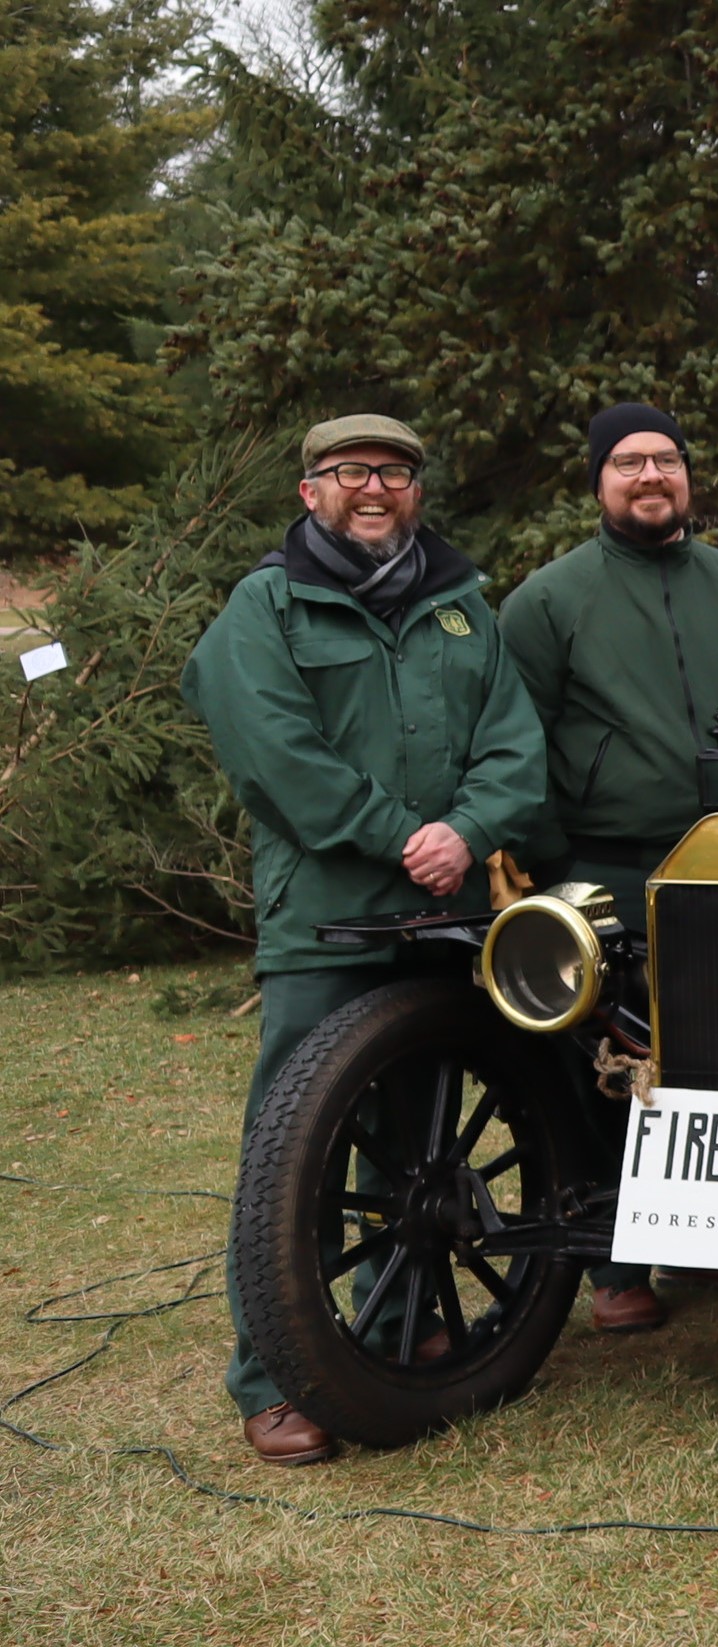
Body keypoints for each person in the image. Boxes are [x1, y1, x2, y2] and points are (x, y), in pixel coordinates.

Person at [181, 415, 551, 1466]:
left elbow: (513, 746)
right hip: (327, 923)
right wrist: (400, 836)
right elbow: (275, 755)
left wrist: (468, 830)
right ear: (312, 492)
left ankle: (393, 1330)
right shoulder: (267, 606)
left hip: (441, 922)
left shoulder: (461, 606)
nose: (374, 487)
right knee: (296, 1149)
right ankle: (273, 1377)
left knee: (419, 1136)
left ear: (416, 491)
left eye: (392, 472)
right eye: (351, 472)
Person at [494, 402, 718, 1331]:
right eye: (629, 462)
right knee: (607, 1070)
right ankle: (616, 1270)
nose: (650, 476)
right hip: (606, 867)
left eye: (666, 460)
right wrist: (549, 861)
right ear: (599, 479)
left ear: (688, 476)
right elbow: (510, 742)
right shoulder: (547, 601)